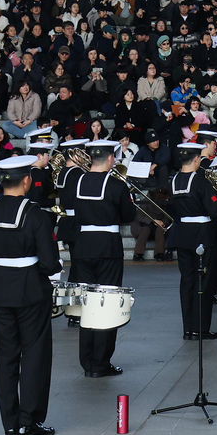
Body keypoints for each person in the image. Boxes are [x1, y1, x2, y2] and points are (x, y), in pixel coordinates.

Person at [0, 155, 61, 435]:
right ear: (27, 181)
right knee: (34, 355)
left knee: (6, 356)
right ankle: (28, 422)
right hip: (31, 289)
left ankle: (9, 424)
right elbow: (50, 263)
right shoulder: (35, 214)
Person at [64, 140, 136, 376]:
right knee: (107, 302)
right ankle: (101, 362)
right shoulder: (116, 185)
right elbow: (127, 216)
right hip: (108, 246)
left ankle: (87, 361)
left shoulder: (76, 181)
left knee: (88, 303)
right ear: (109, 158)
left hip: (83, 245)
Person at [167, 142, 217, 340]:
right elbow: (215, 211)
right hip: (203, 235)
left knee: (187, 281)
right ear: (197, 159)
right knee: (204, 283)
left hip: (183, 234)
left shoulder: (174, 181)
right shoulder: (202, 181)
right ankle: (201, 328)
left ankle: (188, 329)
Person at [53, 139, 88, 288]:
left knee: (76, 261)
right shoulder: (78, 173)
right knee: (82, 263)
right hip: (79, 221)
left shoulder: (62, 172)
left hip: (69, 221)